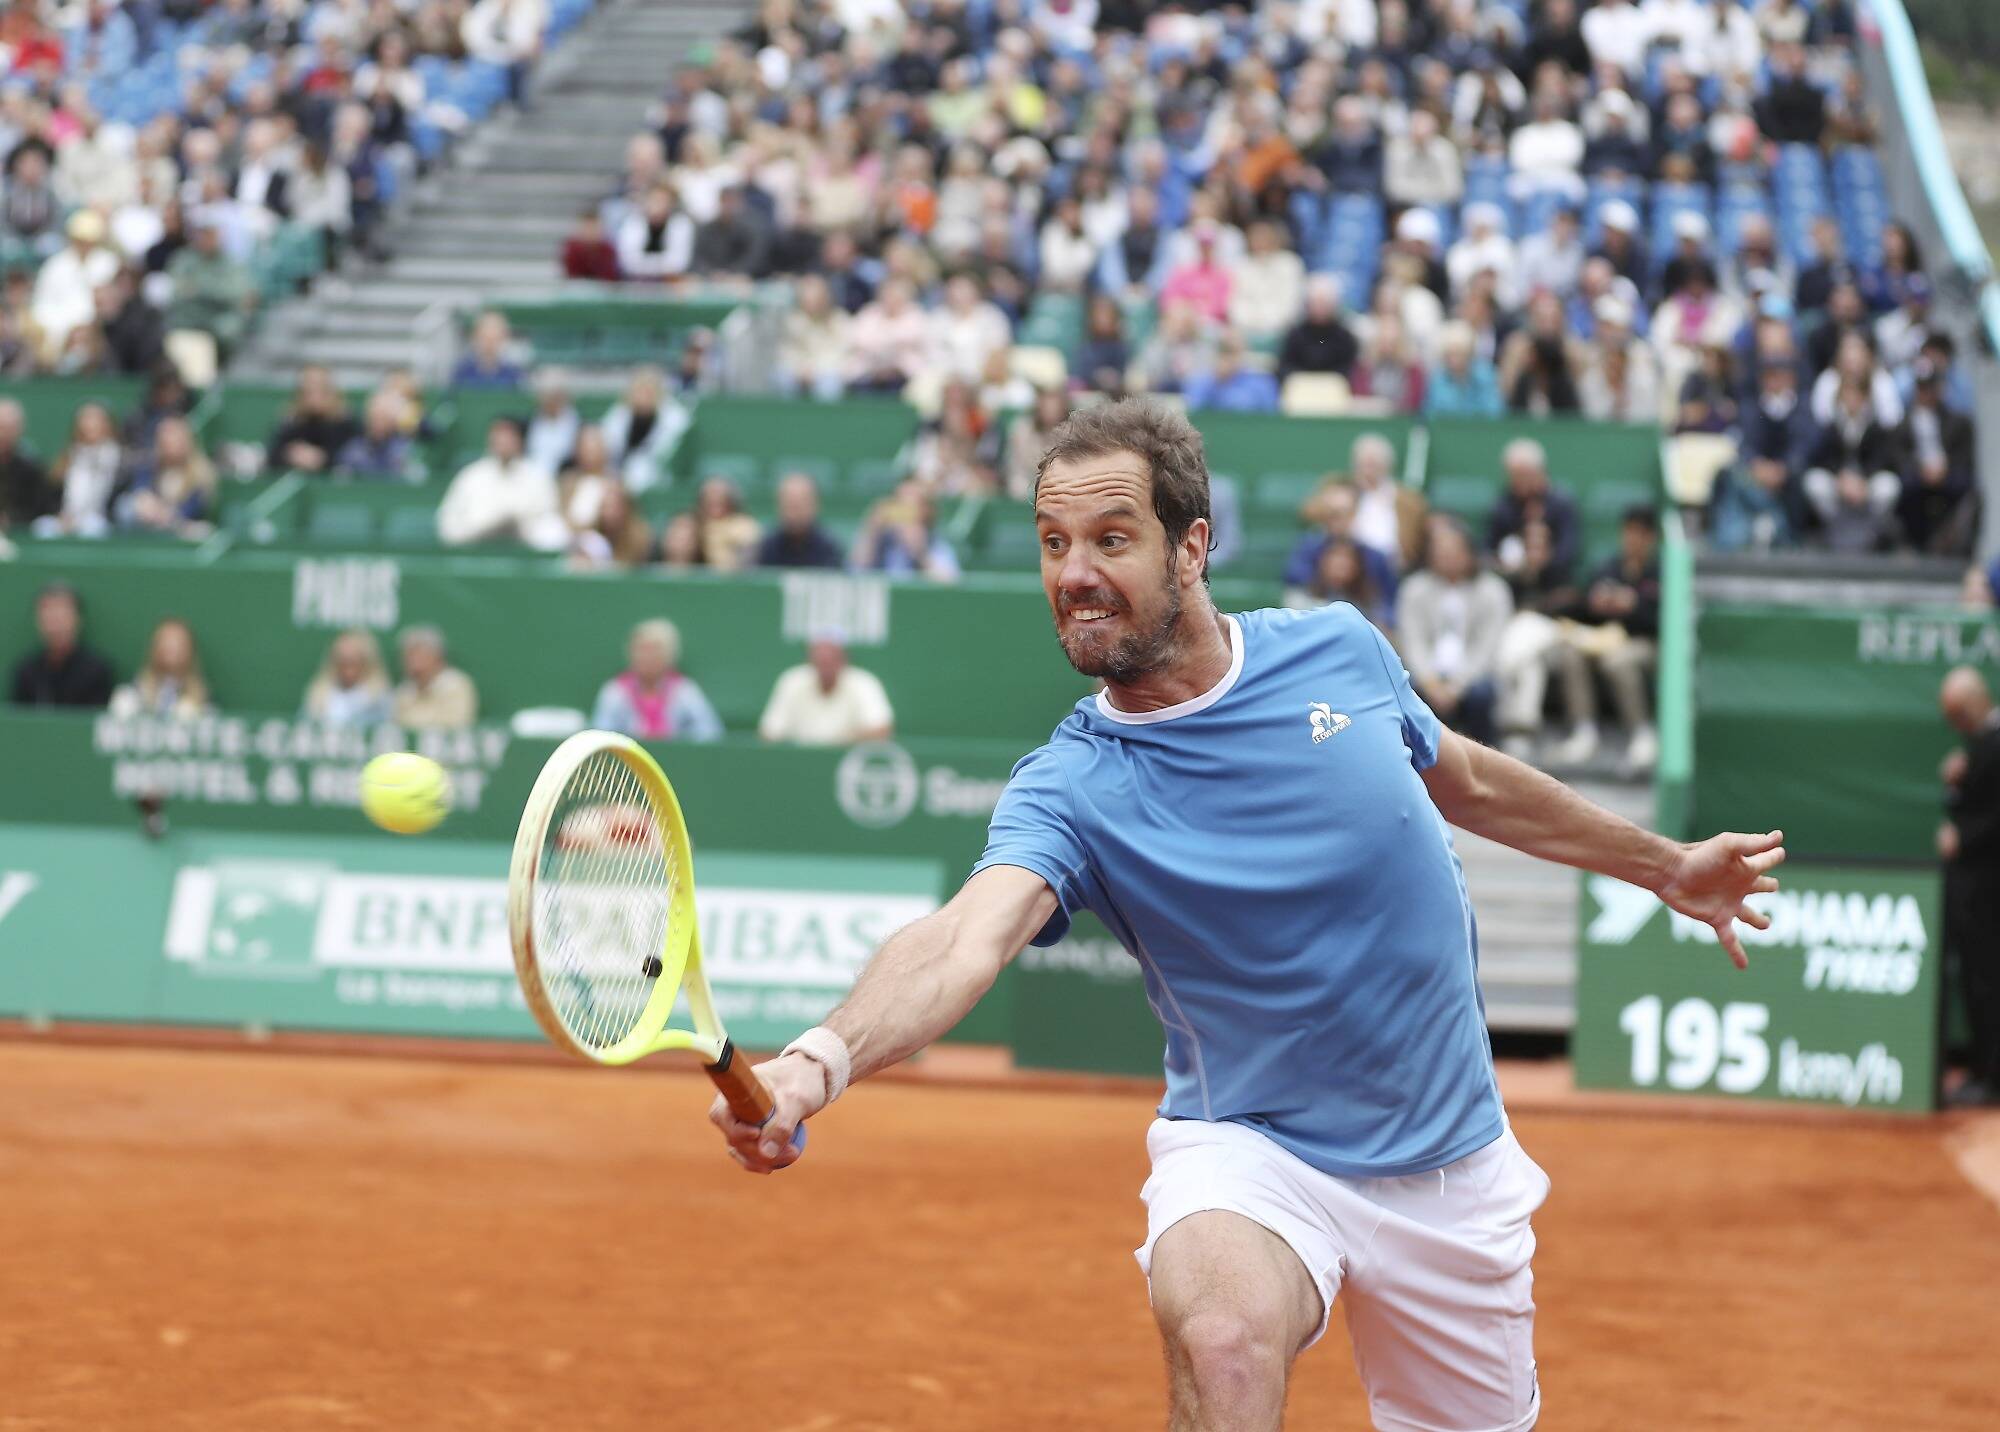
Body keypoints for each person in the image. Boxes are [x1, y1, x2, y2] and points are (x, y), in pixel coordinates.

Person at [711, 399, 1784, 1432]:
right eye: (1050, 542)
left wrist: (1659, 866)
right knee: (1221, 1335)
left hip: (1451, 1167)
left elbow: (1465, 780)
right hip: (1250, 1149)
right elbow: (963, 936)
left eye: (1109, 537)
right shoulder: (1071, 783)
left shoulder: (1340, 651)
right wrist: (817, 1061)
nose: (1073, 574)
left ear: (1190, 546)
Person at [1557, 507, 1663, 772]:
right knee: (1571, 653)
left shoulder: (1660, 571)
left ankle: (1642, 733)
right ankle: (1584, 730)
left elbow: (1661, 621)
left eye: (1640, 534)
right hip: (1604, 638)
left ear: (1651, 538)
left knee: (1618, 661)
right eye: (1628, 532)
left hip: (1645, 641)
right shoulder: (1608, 567)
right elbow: (1584, 608)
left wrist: (1634, 606)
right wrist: (1597, 604)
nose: (1632, 539)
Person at [1939, 667, 2000, 1107]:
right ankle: (1984, 1072)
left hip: (1988, 890)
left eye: (1958, 714)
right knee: (1979, 979)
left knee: (1987, 979)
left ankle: (1990, 1078)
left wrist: (1964, 837)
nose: (1956, 725)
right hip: (1977, 889)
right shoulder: (1982, 745)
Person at [1397, 515, 1512, 745]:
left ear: (1470, 553)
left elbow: (1487, 648)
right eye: (1440, 552)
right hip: (1428, 674)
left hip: (1472, 676)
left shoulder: (1493, 591)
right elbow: (1413, 641)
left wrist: (1457, 686)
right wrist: (1430, 681)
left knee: (1482, 694)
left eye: (1454, 551)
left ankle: (1486, 759)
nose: (1446, 557)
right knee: (1407, 693)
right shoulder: (1414, 589)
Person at [436, 416, 564, 549]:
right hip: (477, 550)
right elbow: (448, 525)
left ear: (520, 440)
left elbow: (550, 523)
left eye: (509, 436)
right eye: (499, 436)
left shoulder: (538, 476)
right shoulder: (470, 475)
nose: (504, 442)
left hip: (525, 551)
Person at [590, 617, 722, 742]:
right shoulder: (614, 691)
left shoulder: (685, 690)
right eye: (642, 649)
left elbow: (710, 734)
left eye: (655, 650)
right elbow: (601, 738)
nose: (647, 657)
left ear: (670, 655)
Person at [757, 631, 896, 746]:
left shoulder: (864, 683)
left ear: (843, 660)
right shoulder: (791, 681)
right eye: (820, 660)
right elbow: (768, 732)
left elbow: (881, 730)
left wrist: (841, 742)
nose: (825, 666)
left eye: (831, 659)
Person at [10, 582, 114, 708]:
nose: (55, 624)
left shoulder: (97, 671)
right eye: (48, 615)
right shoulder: (26, 671)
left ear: (77, 618)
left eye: (62, 615)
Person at [852, 480, 960, 581]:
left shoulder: (935, 544)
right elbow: (855, 572)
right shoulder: (882, 540)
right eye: (899, 503)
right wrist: (872, 532)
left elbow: (950, 581)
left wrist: (920, 553)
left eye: (913, 505)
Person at [109, 617, 212, 721]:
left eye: (179, 643)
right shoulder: (136, 690)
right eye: (167, 642)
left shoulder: (200, 697)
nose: (172, 648)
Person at [267, 366, 360, 474]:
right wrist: (292, 455)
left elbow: (353, 457)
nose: (315, 395)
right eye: (309, 390)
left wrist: (322, 458)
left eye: (321, 389)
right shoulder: (291, 421)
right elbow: (272, 455)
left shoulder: (345, 421)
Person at [391, 625, 479, 730]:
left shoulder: (457, 685)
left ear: (437, 656)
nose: (413, 662)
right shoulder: (403, 692)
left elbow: (456, 723)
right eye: (408, 655)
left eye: (419, 654)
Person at [302, 628, 393, 728]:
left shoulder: (378, 697)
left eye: (353, 661)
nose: (347, 666)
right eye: (342, 660)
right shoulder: (318, 695)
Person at [754, 472, 845, 569]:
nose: (795, 512)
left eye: (800, 504)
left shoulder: (829, 547)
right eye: (789, 504)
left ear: (815, 504)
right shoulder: (766, 546)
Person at [335, 391, 423, 482]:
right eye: (375, 418)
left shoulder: (405, 448)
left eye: (384, 419)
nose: (378, 424)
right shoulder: (353, 449)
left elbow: (417, 475)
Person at [0, 398, 51, 531]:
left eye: (9, 428)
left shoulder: (31, 465)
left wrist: (11, 518)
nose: (4, 434)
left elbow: (39, 507)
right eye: (1, 427)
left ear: (19, 429)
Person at [450, 310, 526, 389]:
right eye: (485, 338)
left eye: (495, 339)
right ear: (475, 337)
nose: (490, 344)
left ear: (503, 338)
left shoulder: (514, 373)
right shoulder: (462, 371)